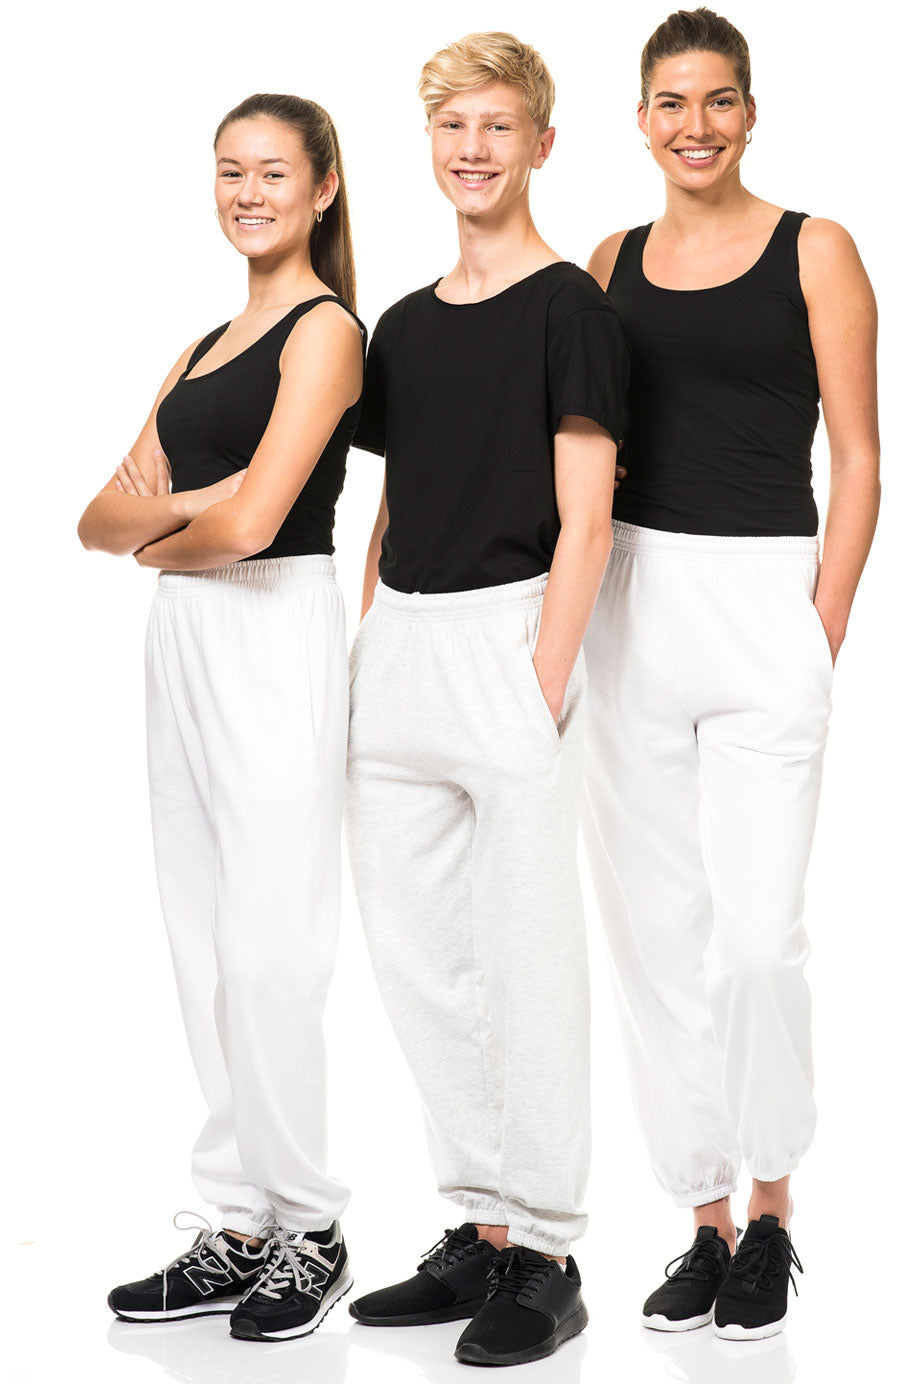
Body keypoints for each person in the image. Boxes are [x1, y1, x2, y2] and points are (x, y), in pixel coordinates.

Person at [582, 6, 880, 1342]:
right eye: (670, 102)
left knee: (758, 941)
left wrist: (819, 626)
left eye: (717, 100)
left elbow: (859, 459)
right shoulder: (607, 261)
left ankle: (771, 1210)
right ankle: (701, 1216)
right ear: (640, 120)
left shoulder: (817, 248)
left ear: (749, 113)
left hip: (764, 600)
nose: (693, 125)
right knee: (657, 937)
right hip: (632, 601)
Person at [343, 32, 629, 1369]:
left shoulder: (572, 309)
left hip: (510, 639)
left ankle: (550, 1253)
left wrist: (541, 680)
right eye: (453, 126)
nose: (473, 149)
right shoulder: (401, 325)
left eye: (498, 126)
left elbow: (589, 519)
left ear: (541, 145)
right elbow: (393, 500)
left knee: (526, 961)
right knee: (420, 961)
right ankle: (480, 1226)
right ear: (430, 143)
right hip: (399, 646)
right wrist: (366, 641)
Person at [77, 93, 366, 1343]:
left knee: (268, 949)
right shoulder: (201, 347)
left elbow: (254, 528)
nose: (248, 194)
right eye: (229, 171)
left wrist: (173, 521)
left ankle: (312, 1226)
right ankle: (239, 1223)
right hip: (184, 638)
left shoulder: (327, 332)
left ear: (323, 187)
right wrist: (203, 506)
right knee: (199, 939)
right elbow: (93, 519)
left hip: (273, 629)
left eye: (272, 173)